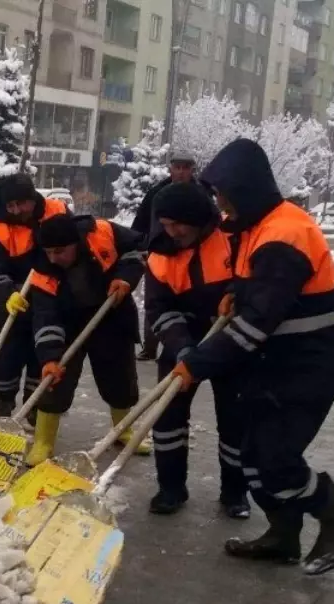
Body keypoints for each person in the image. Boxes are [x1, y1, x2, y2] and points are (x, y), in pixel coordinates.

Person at [171, 138, 334, 576]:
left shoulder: (283, 235)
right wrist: (236, 292)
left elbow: (256, 324)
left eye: (222, 195)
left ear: (244, 189)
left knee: (275, 457)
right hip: (279, 362)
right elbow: (258, 287)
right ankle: (283, 536)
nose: (219, 204)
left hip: (310, 364)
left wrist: (196, 364)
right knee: (253, 453)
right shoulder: (258, 226)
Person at [143, 181, 250, 519]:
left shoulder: (233, 241)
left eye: (178, 224)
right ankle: (171, 488)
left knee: (236, 420)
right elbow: (158, 309)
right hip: (183, 339)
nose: (172, 232)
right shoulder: (161, 254)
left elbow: (254, 286)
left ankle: (235, 493)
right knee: (168, 416)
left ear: (198, 219)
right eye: (166, 225)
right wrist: (183, 348)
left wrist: (236, 294)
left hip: (230, 342)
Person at [6, 213, 148, 464]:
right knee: (54, 379)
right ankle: (43, 441)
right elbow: (46, 315)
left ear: (76, 243)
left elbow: (136, 249)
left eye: (59, 251)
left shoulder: (102, 233)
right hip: (67, 321)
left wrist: (125, 277)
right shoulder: (43, 267)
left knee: (119, 377)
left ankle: (123, 429)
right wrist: (50, 357)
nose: (53, 258)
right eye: (48, 252)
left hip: (110, 313)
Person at [0, 175, 70, 417]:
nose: (16, 210)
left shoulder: (57, 212)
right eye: (10, 206)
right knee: (6, 356)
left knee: (41, 353)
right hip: (15, 301)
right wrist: (7, 294)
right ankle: (5, 404)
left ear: (33, 198)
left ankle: (33, 408)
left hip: (50, 297)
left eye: (21, 203)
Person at [132, 152, 198, 361]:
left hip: (192, 257)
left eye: (185, 168)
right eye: (177, 167)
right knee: (156, 300)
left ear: (192, 170)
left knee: (188, 302)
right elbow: (140, 225)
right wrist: (142, 247)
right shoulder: (156, 194)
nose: (180, 172)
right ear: (170, 169)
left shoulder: (201, 193)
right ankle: (150, 347)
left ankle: (183, 346)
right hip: (158, 255)